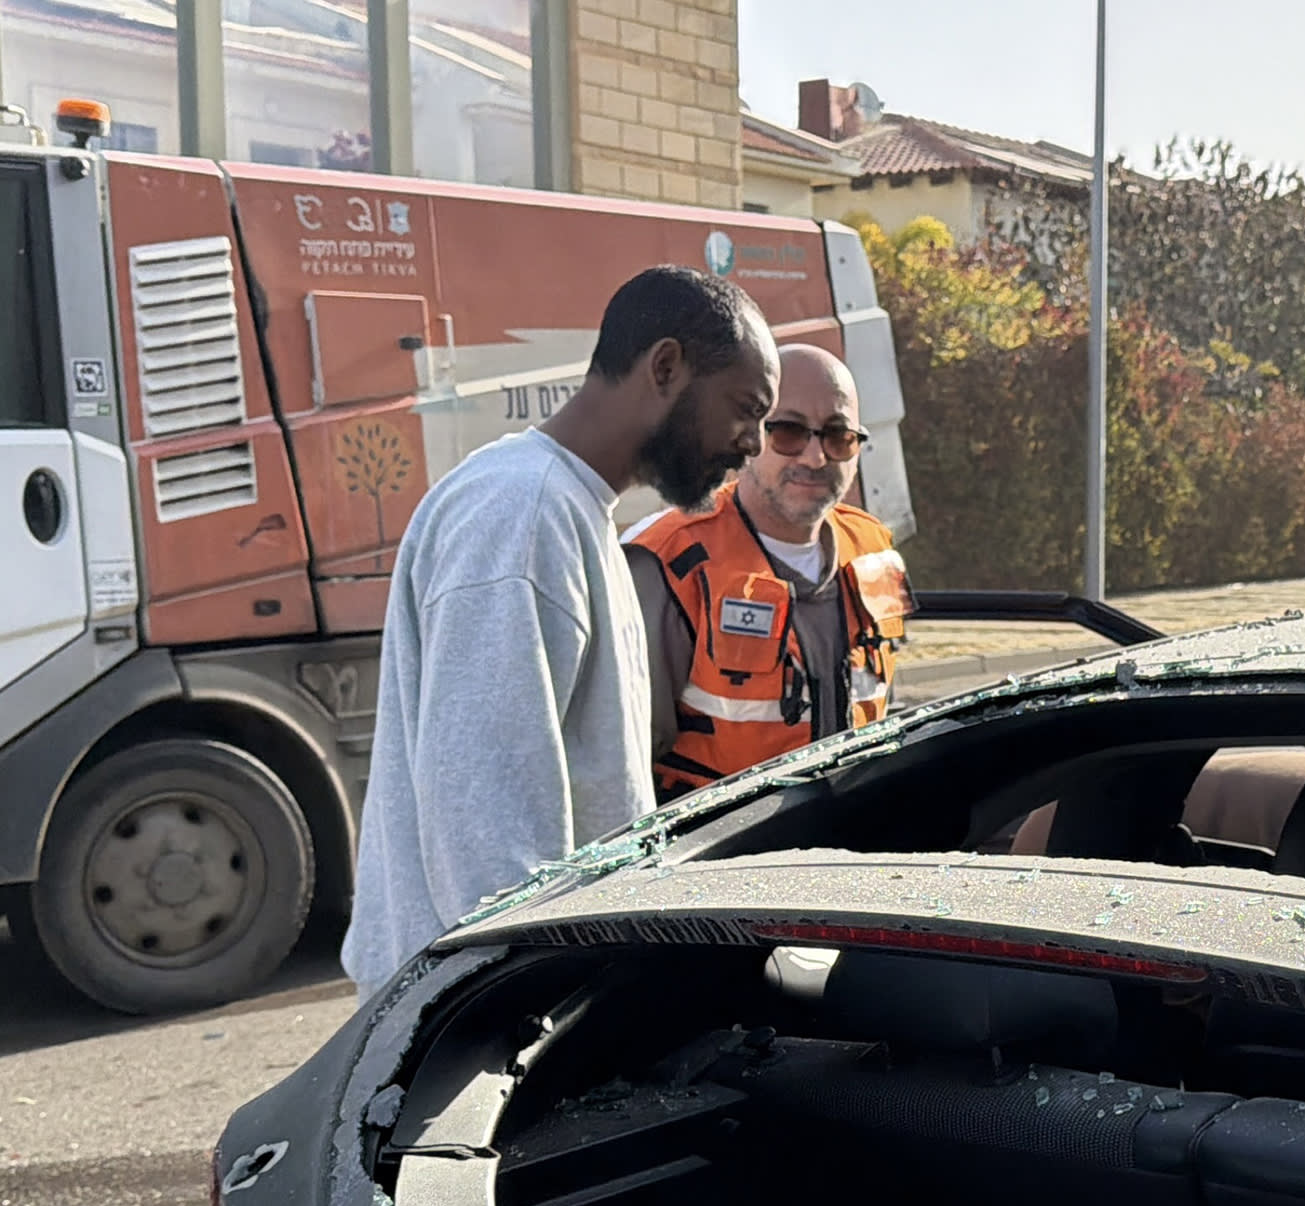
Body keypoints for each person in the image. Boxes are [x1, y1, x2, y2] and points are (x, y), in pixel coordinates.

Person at [341, 266, 779, 999]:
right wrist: (536, 1016)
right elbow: (486, 834)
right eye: (746, 407)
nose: (754, 443)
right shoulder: (521, 514)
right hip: (472, 1018)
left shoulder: (572, 513)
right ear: (666, 366)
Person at [627, 343, 915, 801]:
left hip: (854, 844)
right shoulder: (668, 562)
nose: (815, 457)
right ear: (747, 435)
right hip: (720, 856)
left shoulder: (873, 551)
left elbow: (882, 708)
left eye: (838, 436)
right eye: (789, 432)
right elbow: (624, 770)